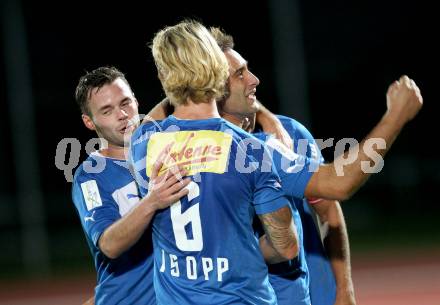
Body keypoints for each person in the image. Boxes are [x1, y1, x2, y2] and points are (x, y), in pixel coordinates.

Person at [145, 26, 422, 305]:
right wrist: (396, 116)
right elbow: (339, 182)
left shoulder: (158, 144)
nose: (254, 79)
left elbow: (327, 209)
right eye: (239, 74)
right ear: (215, 84)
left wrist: (343, 287)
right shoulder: (257, 149)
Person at [130, 20, 309, 305]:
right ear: (217, 67)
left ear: (165, 76)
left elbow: (156, 117)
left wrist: (180, 79)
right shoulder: (250, 148)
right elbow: (286, 247)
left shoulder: (143, 143)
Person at [71, 66, 190, 305]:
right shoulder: (90, 178)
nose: (122, 114)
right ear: (89, 122)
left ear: (136, 101)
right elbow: (109, 244)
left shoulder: (169, 146)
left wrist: (265, 117)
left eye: (125, 103)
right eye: (107, 111)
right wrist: (152, 201)